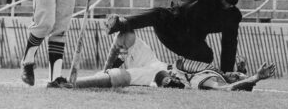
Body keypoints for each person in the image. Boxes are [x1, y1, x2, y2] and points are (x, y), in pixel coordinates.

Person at [104, 0, 259, 73]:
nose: (223, 5)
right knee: (159, 13)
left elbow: (229, 44)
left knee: (206, 56)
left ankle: (179, 71)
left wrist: (226, 72)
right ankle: (121, 23)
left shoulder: (232, 15)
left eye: (227, 4)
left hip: (189, 41)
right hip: (171, 24)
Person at [75, 30, 275, 91]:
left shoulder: (212, 80)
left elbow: (228, 89)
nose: (234, 73)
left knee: (120, 76)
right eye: (237, 73)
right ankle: (103, 71)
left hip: (158, 74)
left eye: (237, 76)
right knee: (126, 34)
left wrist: (255, 78)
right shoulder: (215, 71)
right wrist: (244, 71)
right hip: (158, 63)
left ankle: (71, 84)